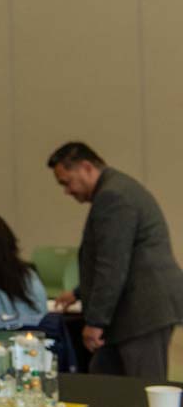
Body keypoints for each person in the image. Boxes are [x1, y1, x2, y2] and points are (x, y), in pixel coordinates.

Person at [48, 142, 183, 379]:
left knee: (142, 392)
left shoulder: (113, 196)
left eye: (66, 182)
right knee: (105, 383)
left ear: (86, 167)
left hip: (141, 313)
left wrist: (95, 321)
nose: (67, 191)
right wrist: (79, 292)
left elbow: (112, 262)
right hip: (134, 311)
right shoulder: (117, 189)